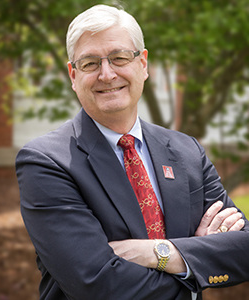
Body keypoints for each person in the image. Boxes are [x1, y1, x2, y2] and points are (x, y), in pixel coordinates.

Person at [16, 5, 249, 300]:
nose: (107, 74)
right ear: (73, 75)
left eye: (119, 58)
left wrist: (160, 252)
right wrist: (196, 265)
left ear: (143, 64)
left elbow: (244, 248)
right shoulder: (46, 162)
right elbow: (97, 284)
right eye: (89, 64)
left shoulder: (187, 151)